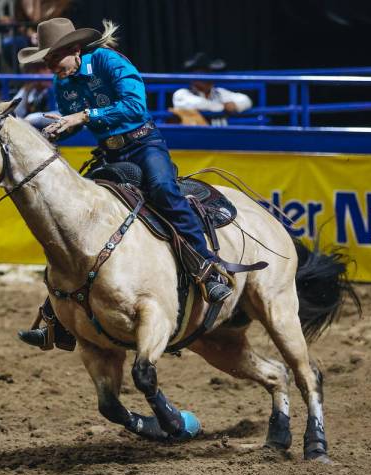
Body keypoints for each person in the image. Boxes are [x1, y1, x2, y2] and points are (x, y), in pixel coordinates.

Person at [16, 18, 232, 350]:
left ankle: (208, 269)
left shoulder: (107, 61)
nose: (50, 67)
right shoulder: (64, 82)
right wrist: (62, 125)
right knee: (75, 216)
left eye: (52, 59)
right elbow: (75, 118)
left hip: (144, 146)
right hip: (110, 153)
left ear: (73, 50)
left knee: (162, 189)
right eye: (45, 62)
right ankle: (55, 318)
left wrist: (84, 117)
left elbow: (134, 106)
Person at [172, 52, 252, 126]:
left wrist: (235, 105)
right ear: (193, 76)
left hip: (221, 136)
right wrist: (222, 107)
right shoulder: (182, 93)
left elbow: (246, 100)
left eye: (209, 72)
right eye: (202, 73)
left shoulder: (220, 93)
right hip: (194, 137)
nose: (207, 77)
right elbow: (196, 103)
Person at [12, 61, 57, 129]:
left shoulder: (56, 88)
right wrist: (26, 89)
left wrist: (32, 119)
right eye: (36, 69)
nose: (48, 71)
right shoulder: (31, 92)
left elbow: (60, 116)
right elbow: (15, 113)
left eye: (46, 67)